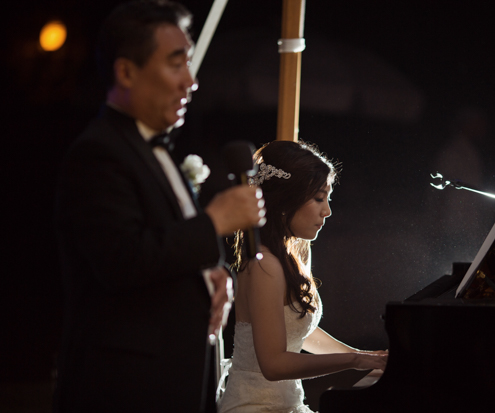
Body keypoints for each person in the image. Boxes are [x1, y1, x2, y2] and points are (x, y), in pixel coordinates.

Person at [53, 1, 265, 412]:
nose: (191, 81)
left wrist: (211, 273)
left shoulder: (155, 149)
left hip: (178, 382)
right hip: (125, 390)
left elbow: (165, 249)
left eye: (189, 63)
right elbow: (121, 260)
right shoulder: (98, 153)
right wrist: (215, 221)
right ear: (126, 71)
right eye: (175, 64)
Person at [218, 140, 388, 413]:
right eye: (319, 198)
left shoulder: (292, 254)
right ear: (287, 199)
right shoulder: (264, 265)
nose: (328, 211)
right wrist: (354, 361)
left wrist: (369, 357)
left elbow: (299, 333)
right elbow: (273, 365)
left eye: (328, 198)